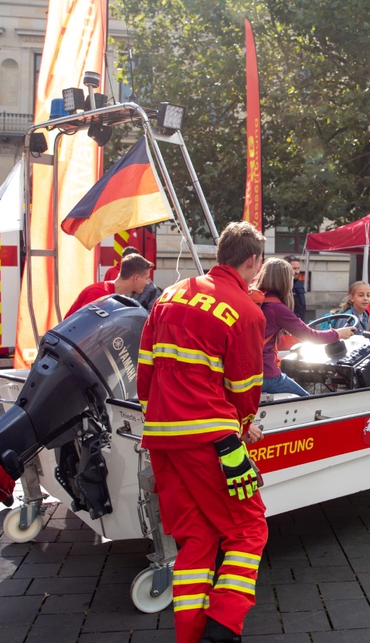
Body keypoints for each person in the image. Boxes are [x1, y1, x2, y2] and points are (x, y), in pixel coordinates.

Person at [137, 221, 268, 643]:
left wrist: (159, 421)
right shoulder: (247, 311)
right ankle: (225, 624)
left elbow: (145, 372)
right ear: (253, 261)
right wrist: (242, 429)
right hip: (212, 440)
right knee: (248, 529)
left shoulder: (169, 296)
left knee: (196, 539)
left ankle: (191, 635)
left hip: (161, 436)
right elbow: (245, 389)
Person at [254, 258, 352, 397]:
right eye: (291, 277)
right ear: (284, 281)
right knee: (306, 400)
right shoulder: (276, 308)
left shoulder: (260, 301)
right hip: (267, 374)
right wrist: (338, 334)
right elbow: (310, 336)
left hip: (252, 372)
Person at [66, 253, 153, 316]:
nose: (148, 283)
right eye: (146, 278)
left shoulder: (114, 295)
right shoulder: (99, 293)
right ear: (136, 278)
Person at [284, 255, 308, 321]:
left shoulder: (299, 284)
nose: (297, 271)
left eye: (298, 268)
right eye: (294, 268)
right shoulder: (282, 286)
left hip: (300, 321)